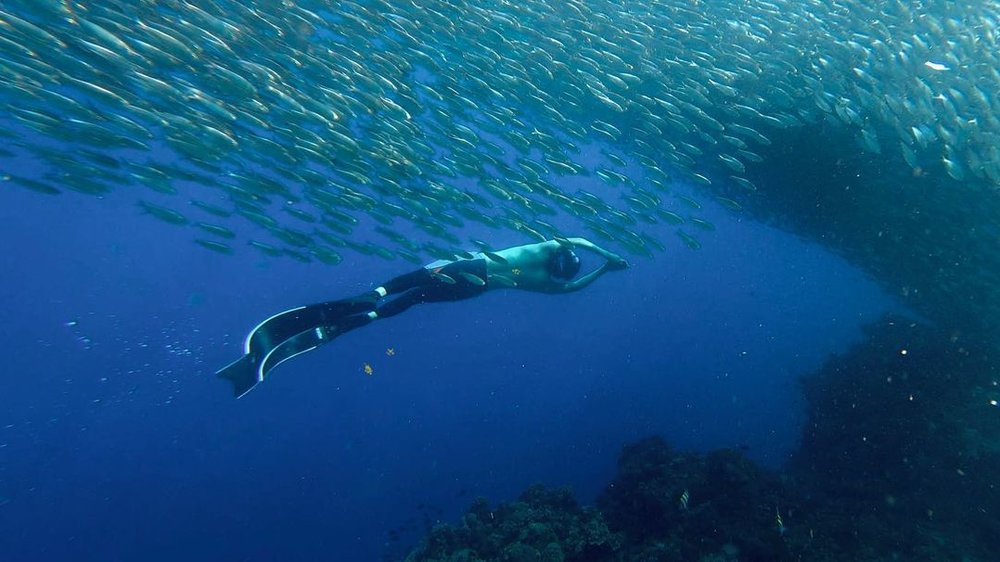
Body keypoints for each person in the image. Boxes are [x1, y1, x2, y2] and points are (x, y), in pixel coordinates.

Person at [217, 237, 628, 398]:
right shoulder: (550, 282)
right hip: (472, 289)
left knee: (399, 289)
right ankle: (370, 314)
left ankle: (372, 298)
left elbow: (575, 239)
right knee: (411, 301)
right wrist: (604, 269)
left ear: (556, 259)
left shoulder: (544, 250)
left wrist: (607, 255)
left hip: (465, 268)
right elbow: (576, 285)